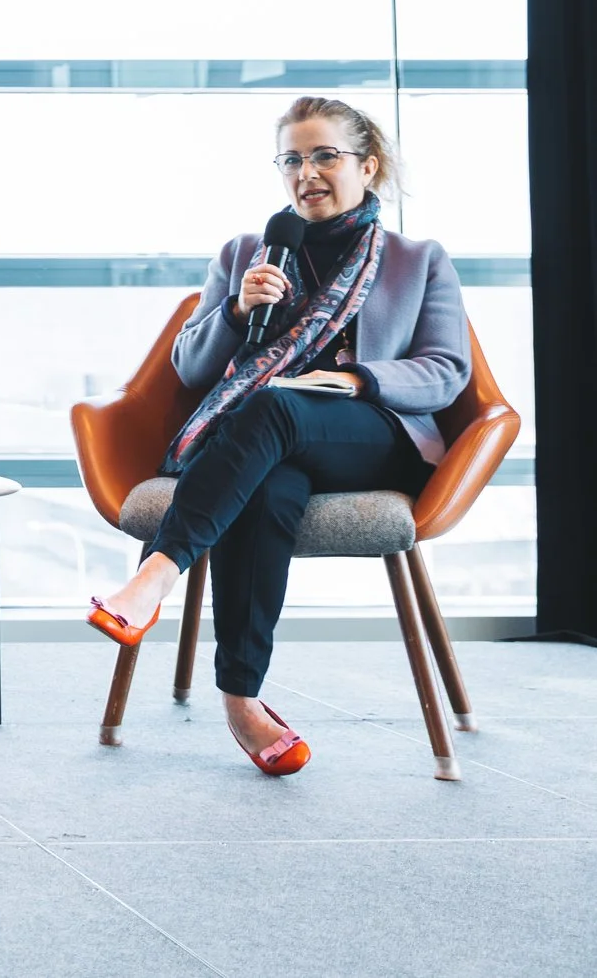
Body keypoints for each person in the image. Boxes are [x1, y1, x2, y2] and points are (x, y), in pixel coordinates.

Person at [87, 97, 466, 776]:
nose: (306, 172)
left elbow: (446, 370)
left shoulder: (416, 259)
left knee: (270, 407)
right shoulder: (246, 253)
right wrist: (237, 310)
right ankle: (241, 698)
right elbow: (190, 366)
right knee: (265, 482)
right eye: (292, 158)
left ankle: (154, 574)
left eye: (325, 155)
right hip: (267, 444)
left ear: (367, 165)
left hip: (373, 433)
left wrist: (357, 381)